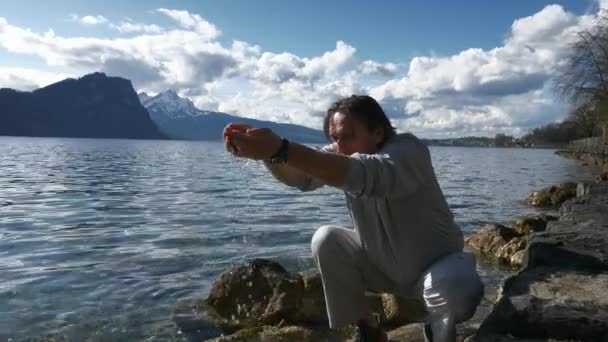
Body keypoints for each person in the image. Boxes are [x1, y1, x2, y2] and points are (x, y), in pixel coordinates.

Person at [223, 95, 483, 342]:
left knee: (457, 292)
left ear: (378, 132)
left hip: (439, 267)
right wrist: (267, 154)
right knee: (326, 239)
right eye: (335, 138)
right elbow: (300, 175)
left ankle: (438, 329)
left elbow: (368, 174)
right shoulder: (341, 153)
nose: (340, 147)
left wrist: (281, 148)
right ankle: (369, 331)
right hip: (383, 269)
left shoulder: (408, 150)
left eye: (348, 136)